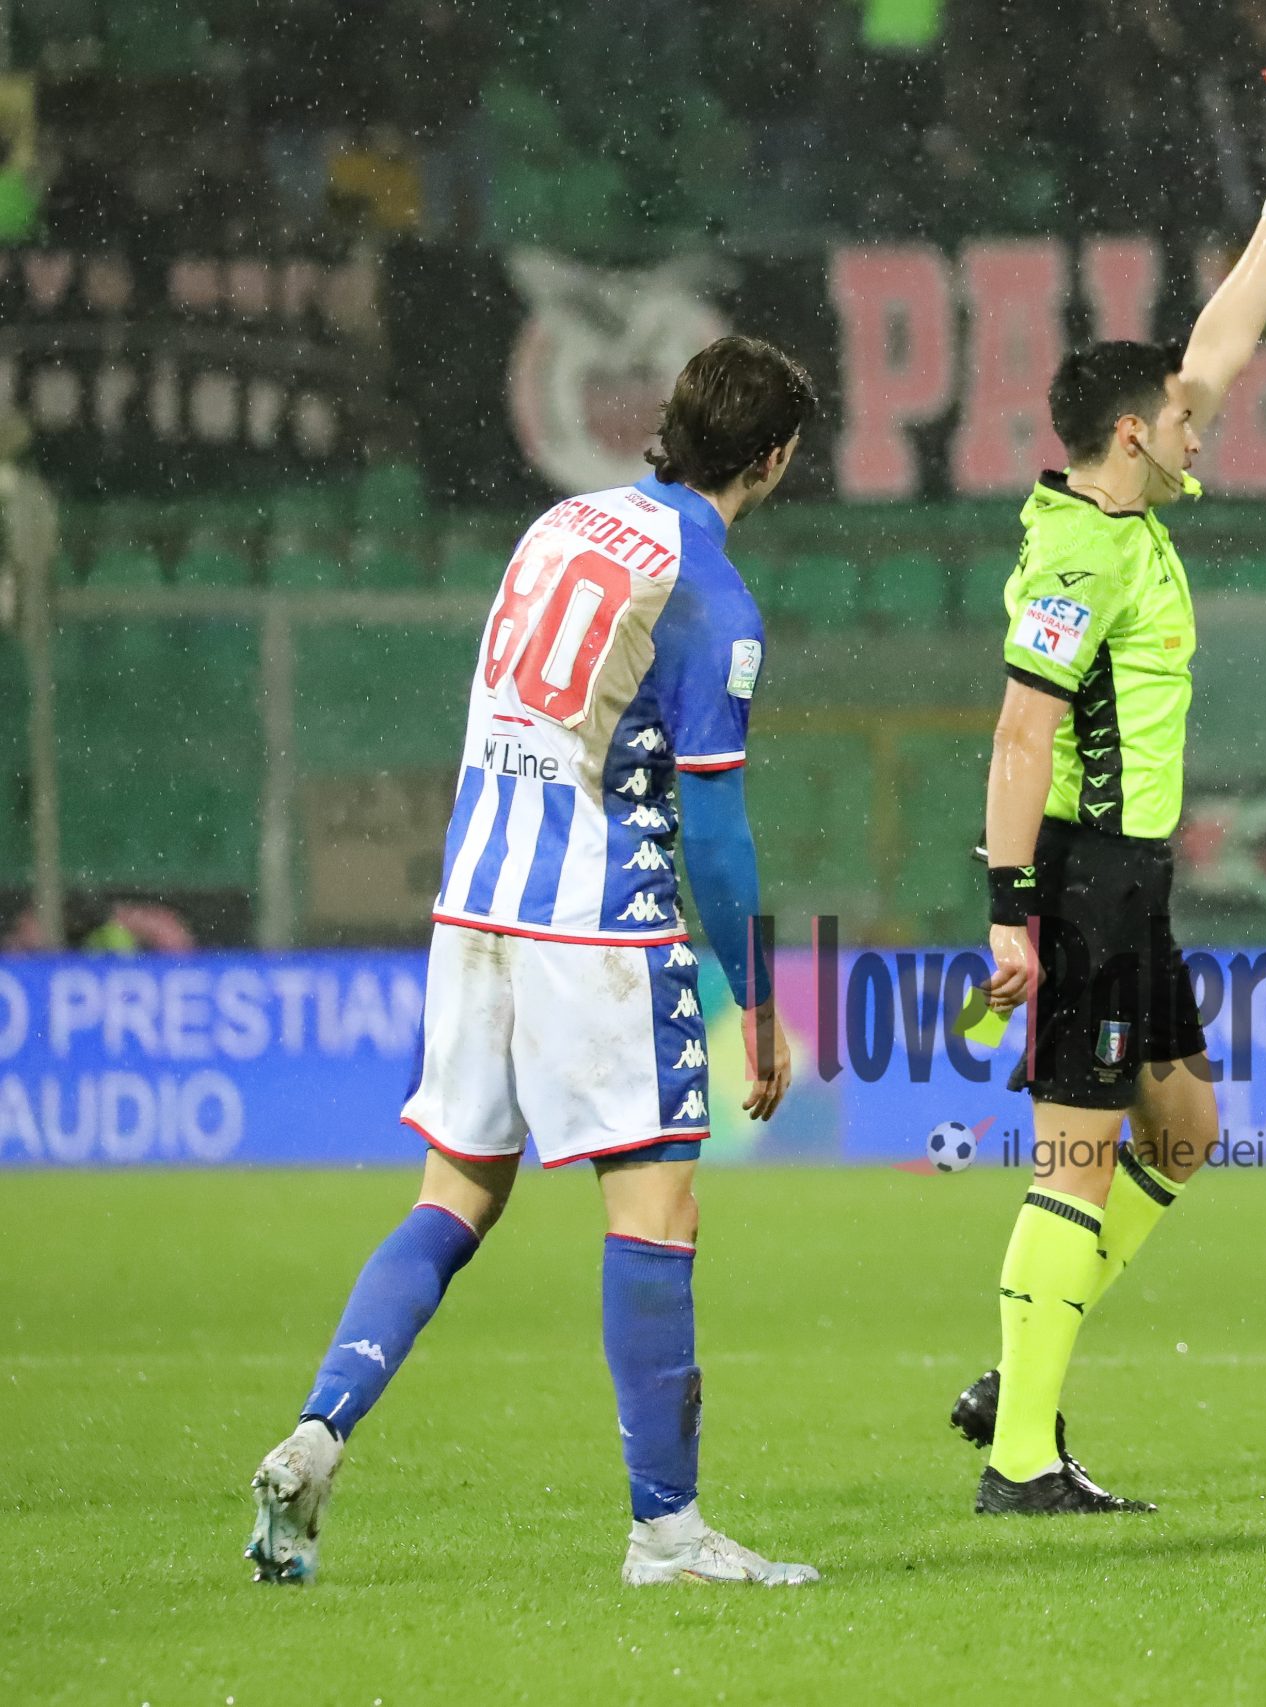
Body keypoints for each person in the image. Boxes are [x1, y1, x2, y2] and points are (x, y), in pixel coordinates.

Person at [246, 336, 817, 1586]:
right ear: (773, 458)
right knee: (656, 1209)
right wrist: (761, 998)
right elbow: (714, 835)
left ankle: (316, 1431)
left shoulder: (564, 523)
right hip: (594, 920)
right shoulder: (712, 595)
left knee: (452, 1198)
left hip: (474, 901)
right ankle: (667, 1532)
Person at [950, 111, 1266, 1517]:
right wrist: (1009, 910)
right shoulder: (1077, 555)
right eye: (1177, 416)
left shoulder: (1132, 517)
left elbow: (1217, 349)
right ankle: (1024, 1456)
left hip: (1133, 876)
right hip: (1082, 881)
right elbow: (1021, 727)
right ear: (1129, 433)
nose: (1201, 419)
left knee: (1182, 1130)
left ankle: (1016, 1369)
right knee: (1080, 1153)